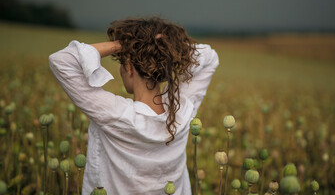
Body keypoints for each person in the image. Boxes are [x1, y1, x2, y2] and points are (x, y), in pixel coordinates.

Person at [49, 17, 219, 194]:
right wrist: (165, 47)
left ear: (129, 66)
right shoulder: (182, 113)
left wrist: (122, 45)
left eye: (122, 62)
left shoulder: (115, 114)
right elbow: (209, 56)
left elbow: (61, 60)